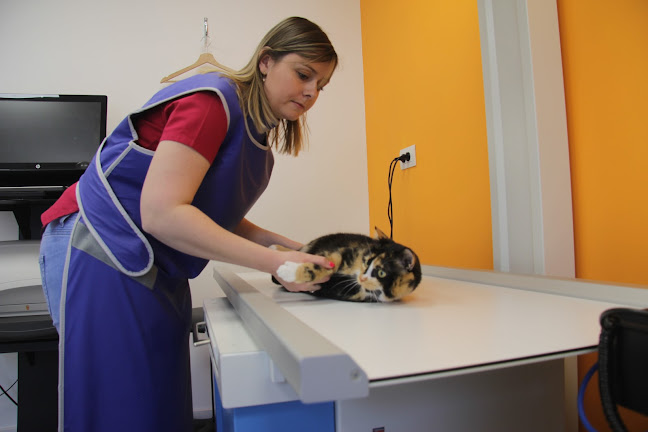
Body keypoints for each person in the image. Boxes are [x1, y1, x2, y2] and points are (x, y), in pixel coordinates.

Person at [38, 16, 338, 432]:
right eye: (304, 74)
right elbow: (163, 214)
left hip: (154, 262)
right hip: (100, 243)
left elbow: (215, 216)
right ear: (266, 61)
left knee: (159, 401)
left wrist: (290, 247)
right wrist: (275, 264)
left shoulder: (259, 146)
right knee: (118, 405)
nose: (310, 92)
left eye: (320, 86)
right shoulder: (211, 103)